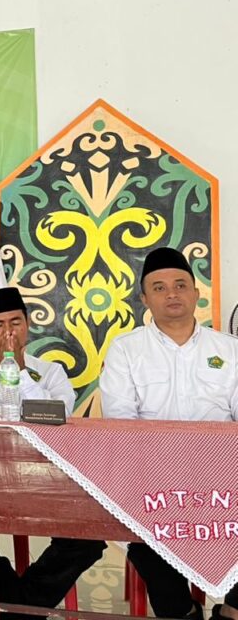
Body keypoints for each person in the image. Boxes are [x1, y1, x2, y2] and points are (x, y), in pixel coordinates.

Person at [0, 286, 106, 612]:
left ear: (28, 324)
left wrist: (19, 371)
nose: (9, 332)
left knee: (88, 536)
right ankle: (18, 603)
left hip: (41, 475)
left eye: (16, 322)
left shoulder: (50, 372)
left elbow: (58, 417)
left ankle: (15, 607)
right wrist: (2, 371)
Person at [102, 247, 238, 620]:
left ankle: (231, 609)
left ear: (196, 293)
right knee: (144, 538)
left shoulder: (230, 350)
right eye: (159, 288)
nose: (172, 294)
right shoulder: (126, 350)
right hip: (151, 478)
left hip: (221, 477)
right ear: (145, 299)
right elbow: (120, 424)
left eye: (180, 285)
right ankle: (181, 613)